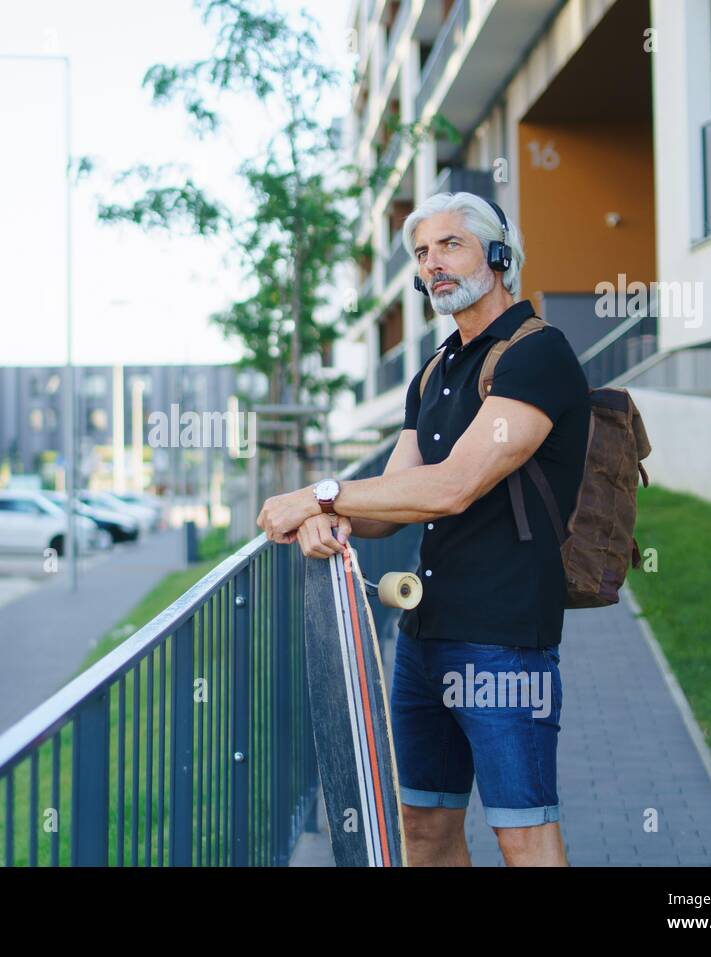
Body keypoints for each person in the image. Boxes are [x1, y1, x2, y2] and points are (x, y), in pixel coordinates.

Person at [256, 191, 589, 866]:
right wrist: (334, 516)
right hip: (422, 639)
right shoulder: (436, 369)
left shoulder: (538, 355)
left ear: (500, 257)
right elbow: (390, 501)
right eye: (421, 252)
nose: (433, 264)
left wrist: (319, 494)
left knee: (522, 833)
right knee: (425, 828)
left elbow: (452, 485)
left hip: (503, 642)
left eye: (450, 245)